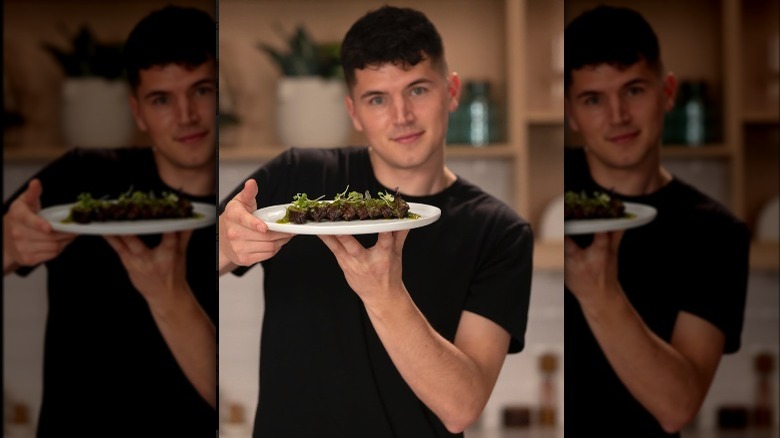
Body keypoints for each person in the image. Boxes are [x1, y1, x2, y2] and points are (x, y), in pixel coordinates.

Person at [218, 5, 532, 437]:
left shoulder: (500, 232)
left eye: (418, 90)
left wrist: (385, 296)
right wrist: (224, 244)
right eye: (378, 99)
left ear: (452, 91)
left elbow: (462, 407)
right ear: (353, 111)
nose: (401, 115)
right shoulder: (295, 177)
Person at [3, 5, 217, 435]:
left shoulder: (243, 212)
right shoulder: (81, 175)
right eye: (161, 99)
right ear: (137, 111)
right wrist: (8, 246)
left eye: (202, 90)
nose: (186, 116)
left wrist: (168, 297)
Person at [563, 5, 750, 437]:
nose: (617, 117)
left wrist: (599, 294)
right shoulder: (550, 190)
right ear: (571, 113)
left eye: (633, 91)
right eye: (593, 99)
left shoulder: (715, 233)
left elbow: (678, 406)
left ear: (667, 92)